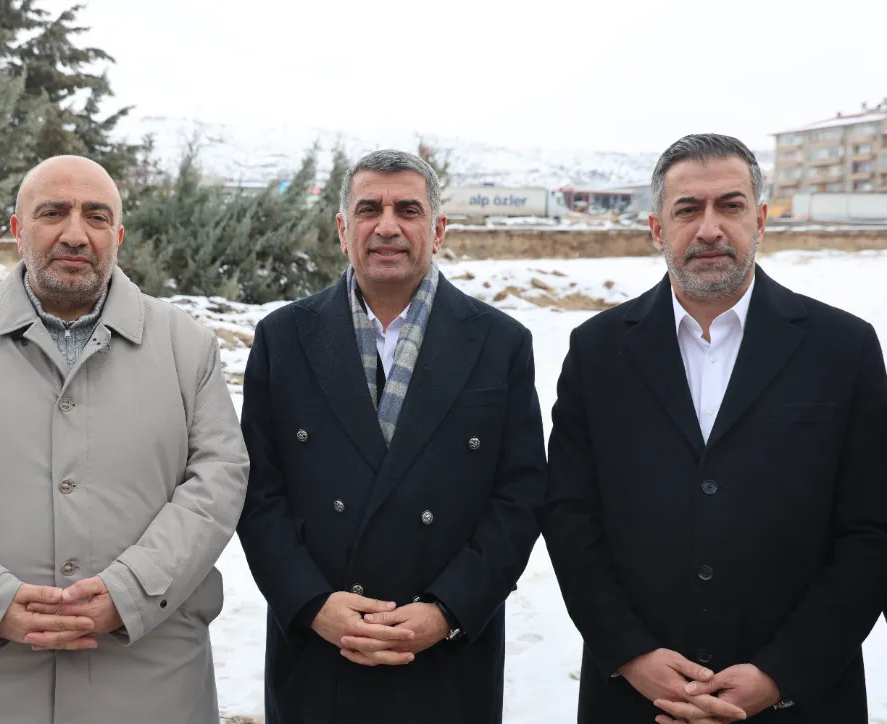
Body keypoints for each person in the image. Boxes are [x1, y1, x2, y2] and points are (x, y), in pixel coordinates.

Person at [0, 155, 250, 724]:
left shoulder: (187, 347)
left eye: (96, 217)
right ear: (17, 229)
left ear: (118, 235)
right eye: (53, 212)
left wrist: (134, 590)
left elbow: (218, 480)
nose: (76, 234)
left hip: (151, 689)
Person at [543, 133, 887, 724]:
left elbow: (872, 528)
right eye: (687, 210)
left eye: (730, 206)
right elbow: (570, 515)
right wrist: (631, 654)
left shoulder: (844, 349)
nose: (709, 229)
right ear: (657, 229)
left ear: (760, 219)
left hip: (804, 698)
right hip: (636, 699)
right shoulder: (597, 351)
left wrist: (780, 673)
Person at [237, 149, 547, 724]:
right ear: (342, 230)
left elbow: (520, 497)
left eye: (407, 210)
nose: (387, 226)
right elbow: (257, 493)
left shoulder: (500, 343)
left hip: (447, 661)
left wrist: (447, 610)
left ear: (438, 229)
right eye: (368, 210)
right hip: (318, 657)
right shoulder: (282, 339)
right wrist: (312, 603)